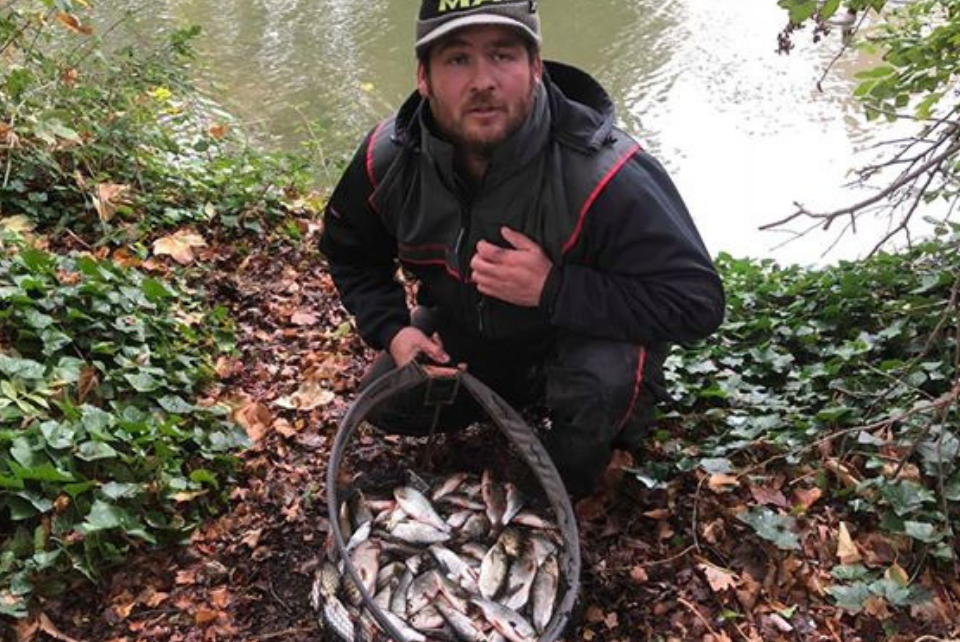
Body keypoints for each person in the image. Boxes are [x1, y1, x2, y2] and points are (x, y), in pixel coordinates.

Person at [319, 0, 725, 497]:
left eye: (503, 55)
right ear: (423, 77)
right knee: (390, 404)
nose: (482, 81)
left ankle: (566, 470)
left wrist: (553, 288)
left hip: (579, 341)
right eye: (457, 59)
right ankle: (509, 393)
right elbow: (349, 250)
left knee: (602, 384)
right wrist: (394, 330)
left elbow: (697, 303)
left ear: (535, 68)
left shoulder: (607, 174)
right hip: (473, 335)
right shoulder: (388, 159)